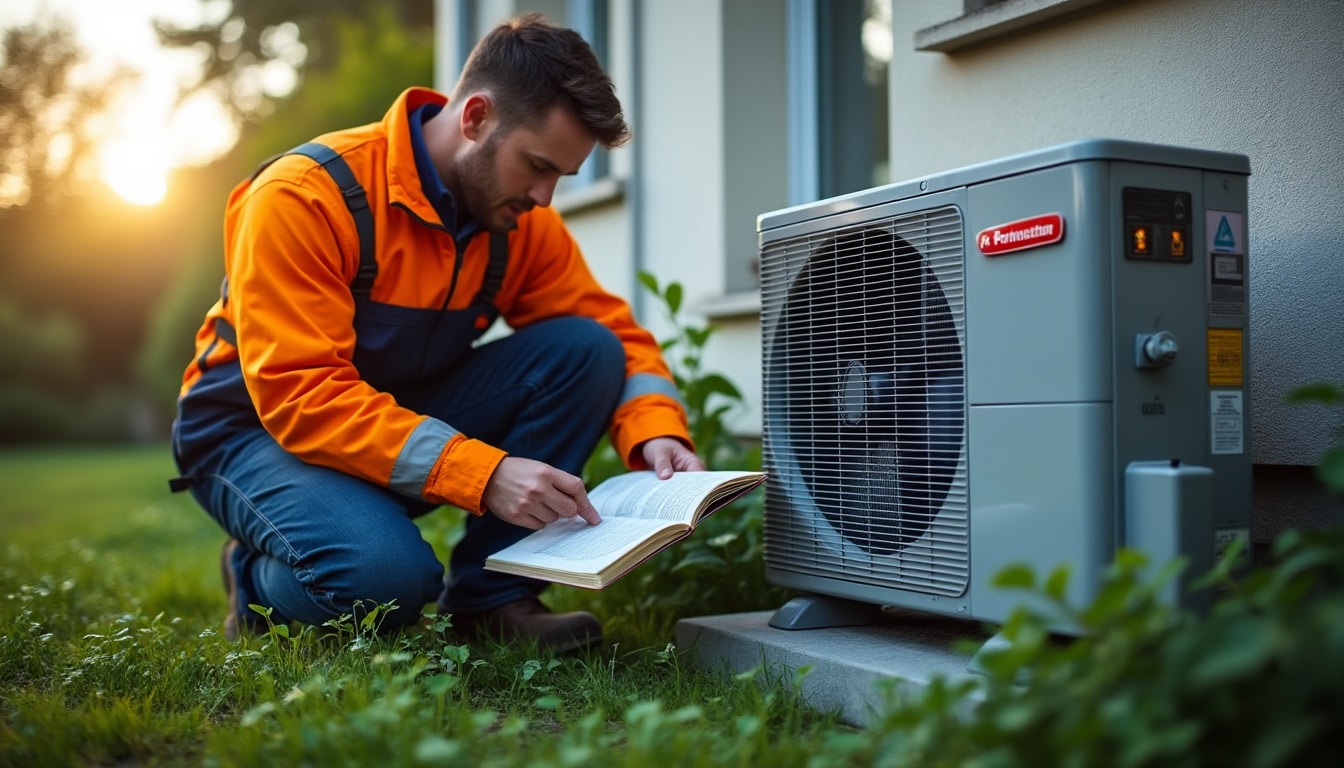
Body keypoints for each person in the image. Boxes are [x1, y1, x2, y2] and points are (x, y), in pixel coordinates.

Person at [169, 13, 705, 652]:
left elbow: (609, 330)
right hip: (251, 431)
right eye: (536, 166)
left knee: (584, 349)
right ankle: (255, 580)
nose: (545, 198)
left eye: (561, 176)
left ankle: (492, 600)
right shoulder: (306, 196)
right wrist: (480, 472)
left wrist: (655, 431)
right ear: (476, 117)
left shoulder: (518, 222)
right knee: (385, 581)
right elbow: (301, 393)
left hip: (388, 419)